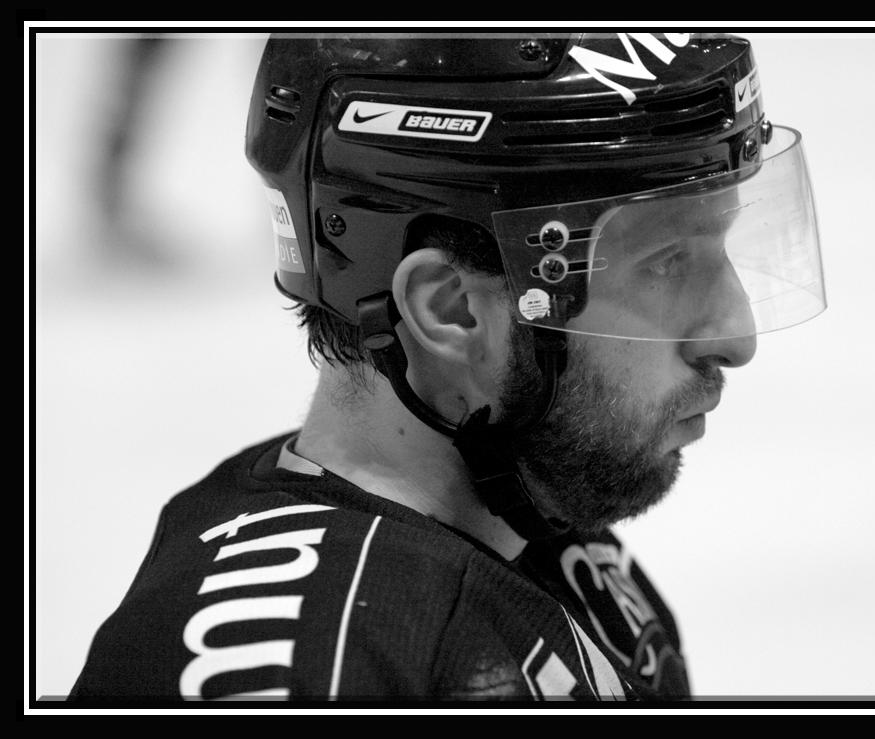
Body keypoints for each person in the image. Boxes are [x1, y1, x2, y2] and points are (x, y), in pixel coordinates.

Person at [69, 32, 825, 702]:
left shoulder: (552, 541)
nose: (736, 335)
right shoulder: (310, 675)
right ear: (450, 310)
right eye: (665, 262)